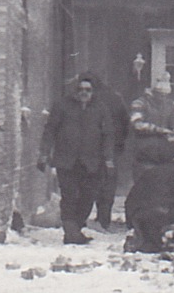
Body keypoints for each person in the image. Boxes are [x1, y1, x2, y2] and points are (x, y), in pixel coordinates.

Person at [37, 74, 116, 245]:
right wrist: (44, 153)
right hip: (67, 160)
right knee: (69, 196)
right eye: (80, 89)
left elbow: (108, 135)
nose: (83, 93)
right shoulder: (62, 106)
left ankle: (76, 228)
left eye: (88, 90)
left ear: (93, 92)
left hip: (91, 162)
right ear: (75, 91)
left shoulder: (101, 109)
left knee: (88, 197)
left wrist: (108, 158)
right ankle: (70, 232)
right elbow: (50, 130)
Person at [123, 137, 174, 254]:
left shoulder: (150, 172)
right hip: (160, 214)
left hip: (140, 216)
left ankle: (139, 236)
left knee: (151, 247)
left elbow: (130, 200)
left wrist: (131, 224)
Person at [89, 76, 131, 230]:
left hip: (90, 147)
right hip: (111, 147)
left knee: (90, 180)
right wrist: (120, 142)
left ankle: (83, 219)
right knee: (108, 183)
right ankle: (103, 218)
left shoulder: (88, 98)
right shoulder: (115, 98)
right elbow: (126, 122)